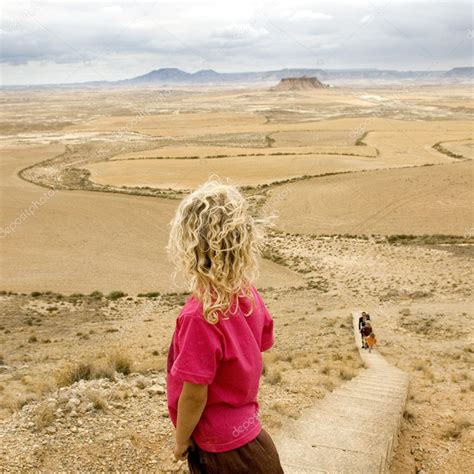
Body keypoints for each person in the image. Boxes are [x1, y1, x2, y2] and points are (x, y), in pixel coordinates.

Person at [166, 177, 284, 474]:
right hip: (253, 435)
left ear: (190, 246)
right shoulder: (248, 293)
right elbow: (259, 345)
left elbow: (194, 393)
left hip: (219, 449)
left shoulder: (199, 315)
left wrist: (181, 440)